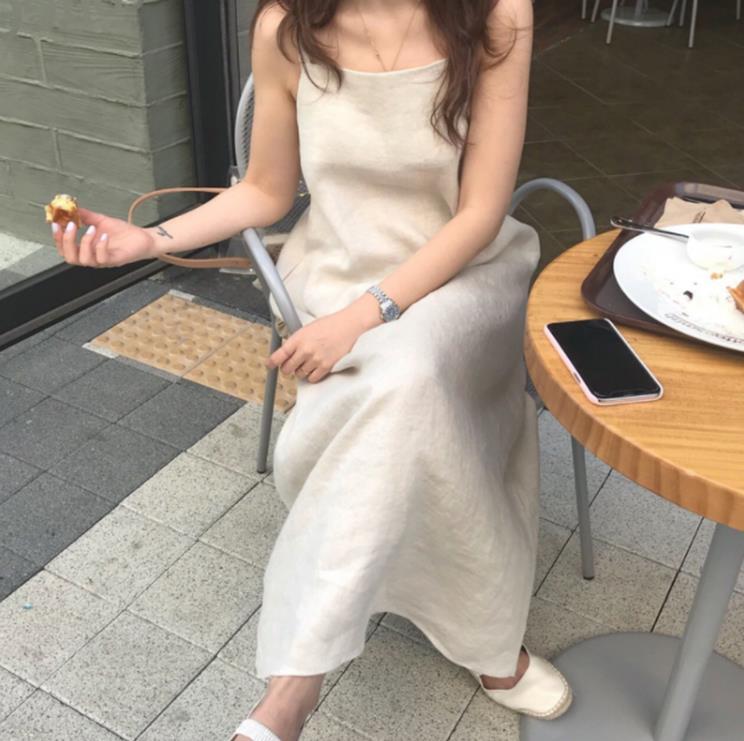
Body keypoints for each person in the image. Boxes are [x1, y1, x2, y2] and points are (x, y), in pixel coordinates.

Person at [51, 0, 573, 738]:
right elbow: (266, 190)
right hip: (335, 273)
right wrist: (150, 239)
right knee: (404, 400)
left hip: (461, 276)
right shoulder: (287, 28)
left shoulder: (494, 14)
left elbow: (478, 214)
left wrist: (363, 317)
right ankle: (486, 644)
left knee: (407, 376)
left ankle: (292, 690)